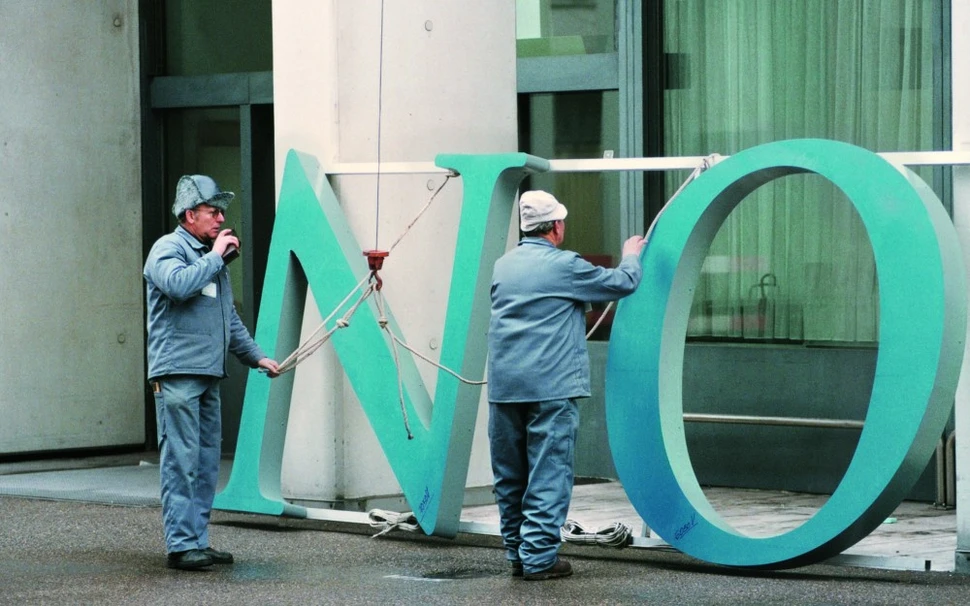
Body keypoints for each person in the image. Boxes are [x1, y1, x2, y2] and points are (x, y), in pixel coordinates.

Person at [487, 190, 646, 581]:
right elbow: (623, 283)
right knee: (548, 473)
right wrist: (632, 253)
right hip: (550, 387)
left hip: (505, 387)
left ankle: (517, 555)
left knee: (510, 476)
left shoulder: (503, 266)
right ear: (557, 226)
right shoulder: (564, 266)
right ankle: (539, 559)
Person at [144, 175, 281, 571]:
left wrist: (256, 357)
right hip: (177, 374)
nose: (221, 218)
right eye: (212, 211)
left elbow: (229, 320)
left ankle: (197, 542)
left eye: (222, 211)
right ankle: (182, 545)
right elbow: (177, 285)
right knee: (181, 461)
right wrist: (216, 257)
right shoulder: (169, 249)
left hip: (206, 374)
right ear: (189, 214)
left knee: (204, 463)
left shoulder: (210, 258)